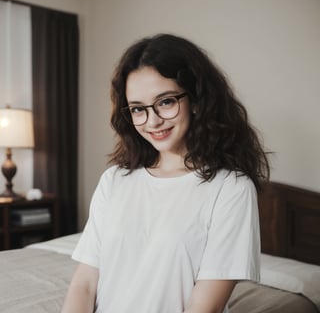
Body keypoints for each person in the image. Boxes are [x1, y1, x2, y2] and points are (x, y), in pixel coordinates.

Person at [62, 33, 269, 313]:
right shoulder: (114, 181)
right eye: (138, 109)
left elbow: (204, 308)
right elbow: (85, 284)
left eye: (166, 102)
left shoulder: (230, 188)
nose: (153, 121)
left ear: (196, 99)